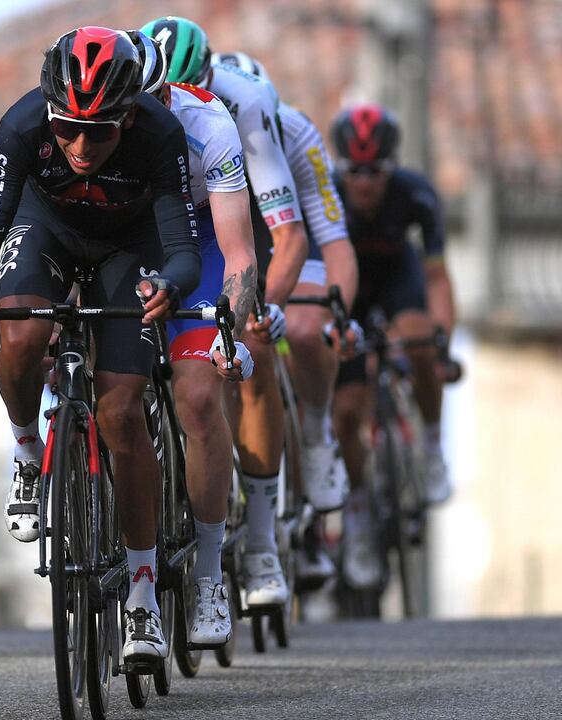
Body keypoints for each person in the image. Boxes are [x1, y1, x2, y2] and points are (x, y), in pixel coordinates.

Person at [0, 26, 202, 663]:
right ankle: (27, 449)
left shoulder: (160, 133)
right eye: (67, 129)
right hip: (46, 231)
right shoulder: (21, 125)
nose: (81, 147)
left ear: (130, 116)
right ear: (50, 113)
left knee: (121, 414)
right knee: (21, 332)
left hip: (128, 247)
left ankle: (142, 593)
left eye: (101, 132)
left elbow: (182, 249)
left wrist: (169, 285)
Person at [141, 16, 332, 614]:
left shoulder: (241, 106)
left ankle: (261, 545)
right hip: (152, 222)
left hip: (228, 218)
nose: (174, 108)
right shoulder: (131, 104)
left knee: (252, 336)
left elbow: (288, 234)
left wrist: (263, 309)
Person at [127, 31, 256, 648]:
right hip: (128, 233)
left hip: (199, 238)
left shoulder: (210, 124)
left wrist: (229, 330)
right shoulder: (97, 126)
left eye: (154, 102)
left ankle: (208, 571)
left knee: (200, 396)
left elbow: (237, 252)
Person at [212, 51, 360, 587]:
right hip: (230, 233)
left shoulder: (294, 134)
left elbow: (333, 240)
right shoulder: (201, 129)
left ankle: (316, 432)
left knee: (299, 330)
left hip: (288, 239)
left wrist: (333, 313)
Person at [327, 103, 457, 589]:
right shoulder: (327, 197)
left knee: (421, 342)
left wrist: (441, 347)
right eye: (354, 171)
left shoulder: (416, 194)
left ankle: (431, 447)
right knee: (346, 411)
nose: (364, 184)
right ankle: (358, 513)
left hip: (398, 279)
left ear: (392, 167)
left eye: (376, 172)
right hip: (348, 290)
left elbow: (437, 278)